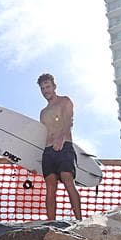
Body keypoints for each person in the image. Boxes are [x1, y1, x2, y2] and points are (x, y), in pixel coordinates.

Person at [37, 73, 82, 220]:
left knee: (67, 177)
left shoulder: (64, 101)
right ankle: (51, 224)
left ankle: (79, 220)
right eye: (43, 88)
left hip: (64, 145)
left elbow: (69, 121)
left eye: (48, 87)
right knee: (50, 186)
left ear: (54, 87)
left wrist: (61, 138)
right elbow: (43, 134)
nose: (46, 91)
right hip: (48, 150)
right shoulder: (42, 112)